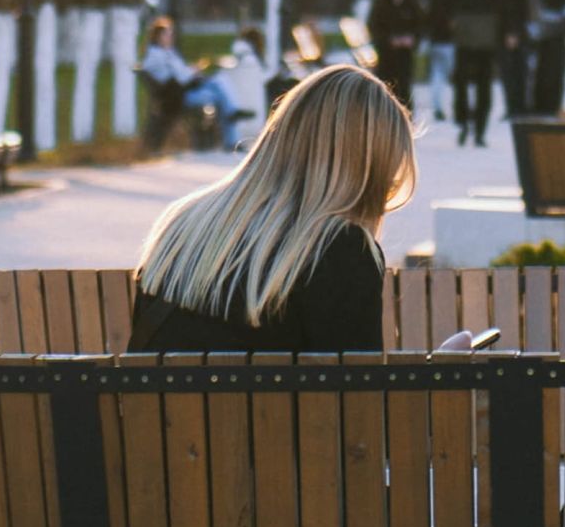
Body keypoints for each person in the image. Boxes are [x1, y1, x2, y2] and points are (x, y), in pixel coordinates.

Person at [128, 64, 463, 353]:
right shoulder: (340, 251)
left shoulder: (183, 223)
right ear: (367, 177)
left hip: (154, 411)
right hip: (270, 413)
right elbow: (359, 400)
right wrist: (437, 379)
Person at [439, 0, 506, 145]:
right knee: (461, 84)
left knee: (484, 87)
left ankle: (480, 129)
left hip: (486, 44)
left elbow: (503, 12)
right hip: (465, 42)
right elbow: (447, 7)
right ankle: (463, 123)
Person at [139, 17, 233, 150]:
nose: (170, 38)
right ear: (157, 37)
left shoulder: (167, 53)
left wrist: (191, 70)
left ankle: (231, 122)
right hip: (178, 97)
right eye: (167, 35)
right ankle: (231, 130)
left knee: (219, 85)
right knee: (219, 89)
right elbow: (180, 78)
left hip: (181, 92)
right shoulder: (158, 56)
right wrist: (193, 71)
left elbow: (180, 73)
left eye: (171, 34)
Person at [368, 0, 424, 109]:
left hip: (405, 54)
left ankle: (405, 116)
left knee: (404, 87)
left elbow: (420, 25)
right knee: (386, 87)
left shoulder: (411, 2)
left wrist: (412, 40)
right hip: (386, 54)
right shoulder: (381, 2)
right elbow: (374, 26)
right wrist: (388, 40)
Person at [531, 0, 565, 115]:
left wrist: (552, 29)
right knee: (541, 76)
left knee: (555, 77)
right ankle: (540, 107)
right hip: (543, 44)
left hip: (557, 44)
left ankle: (553, 107)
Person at [496, 0, 536, 120]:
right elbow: (523, 15)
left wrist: (512, 33)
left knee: (512, 75)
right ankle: (518, 106)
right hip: (516, 37)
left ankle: (515, 106)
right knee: (517, 74)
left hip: (509, 37)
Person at [425, 0, 459, 123]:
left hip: (436, 41)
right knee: (455, 76)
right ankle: (458, 107)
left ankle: (437, 107)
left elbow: (427, 18)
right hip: (451, 41)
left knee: (437, 76)